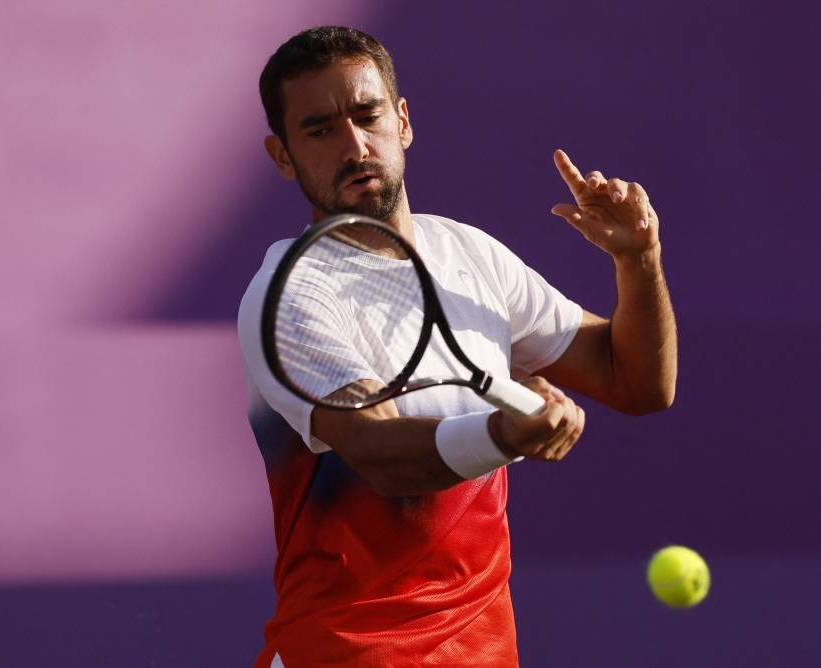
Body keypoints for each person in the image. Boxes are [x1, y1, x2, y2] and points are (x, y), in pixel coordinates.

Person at [237, 26, 677, 667]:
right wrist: (503, 435)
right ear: (283, 156)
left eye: (368, 115)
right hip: (344, 654)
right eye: (320, 129)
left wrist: (639, 260)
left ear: (403, 121)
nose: (355, 145)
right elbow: (379, 457)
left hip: (485, 651)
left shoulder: (473, 256)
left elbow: (637, 382)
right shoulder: (289, 294)